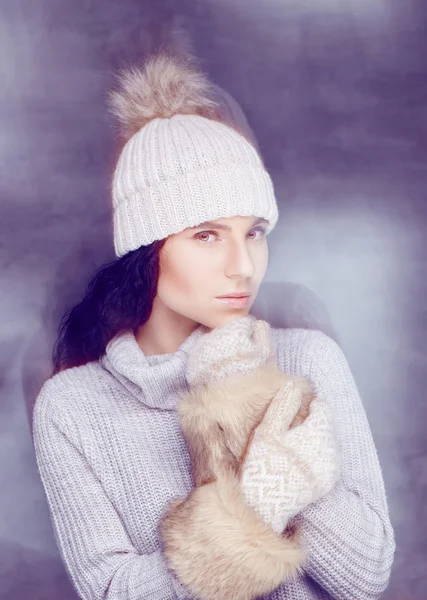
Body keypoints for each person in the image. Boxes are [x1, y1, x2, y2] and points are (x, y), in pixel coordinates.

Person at [32, 52, 395, 600]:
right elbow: (113, 590)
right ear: (147, 249)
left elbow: (365, 575)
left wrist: (255, 400)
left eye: (254, 232)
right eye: (206, 235)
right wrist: (254, 507)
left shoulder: (307, 361)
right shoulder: (73, 407)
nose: (242, 265)